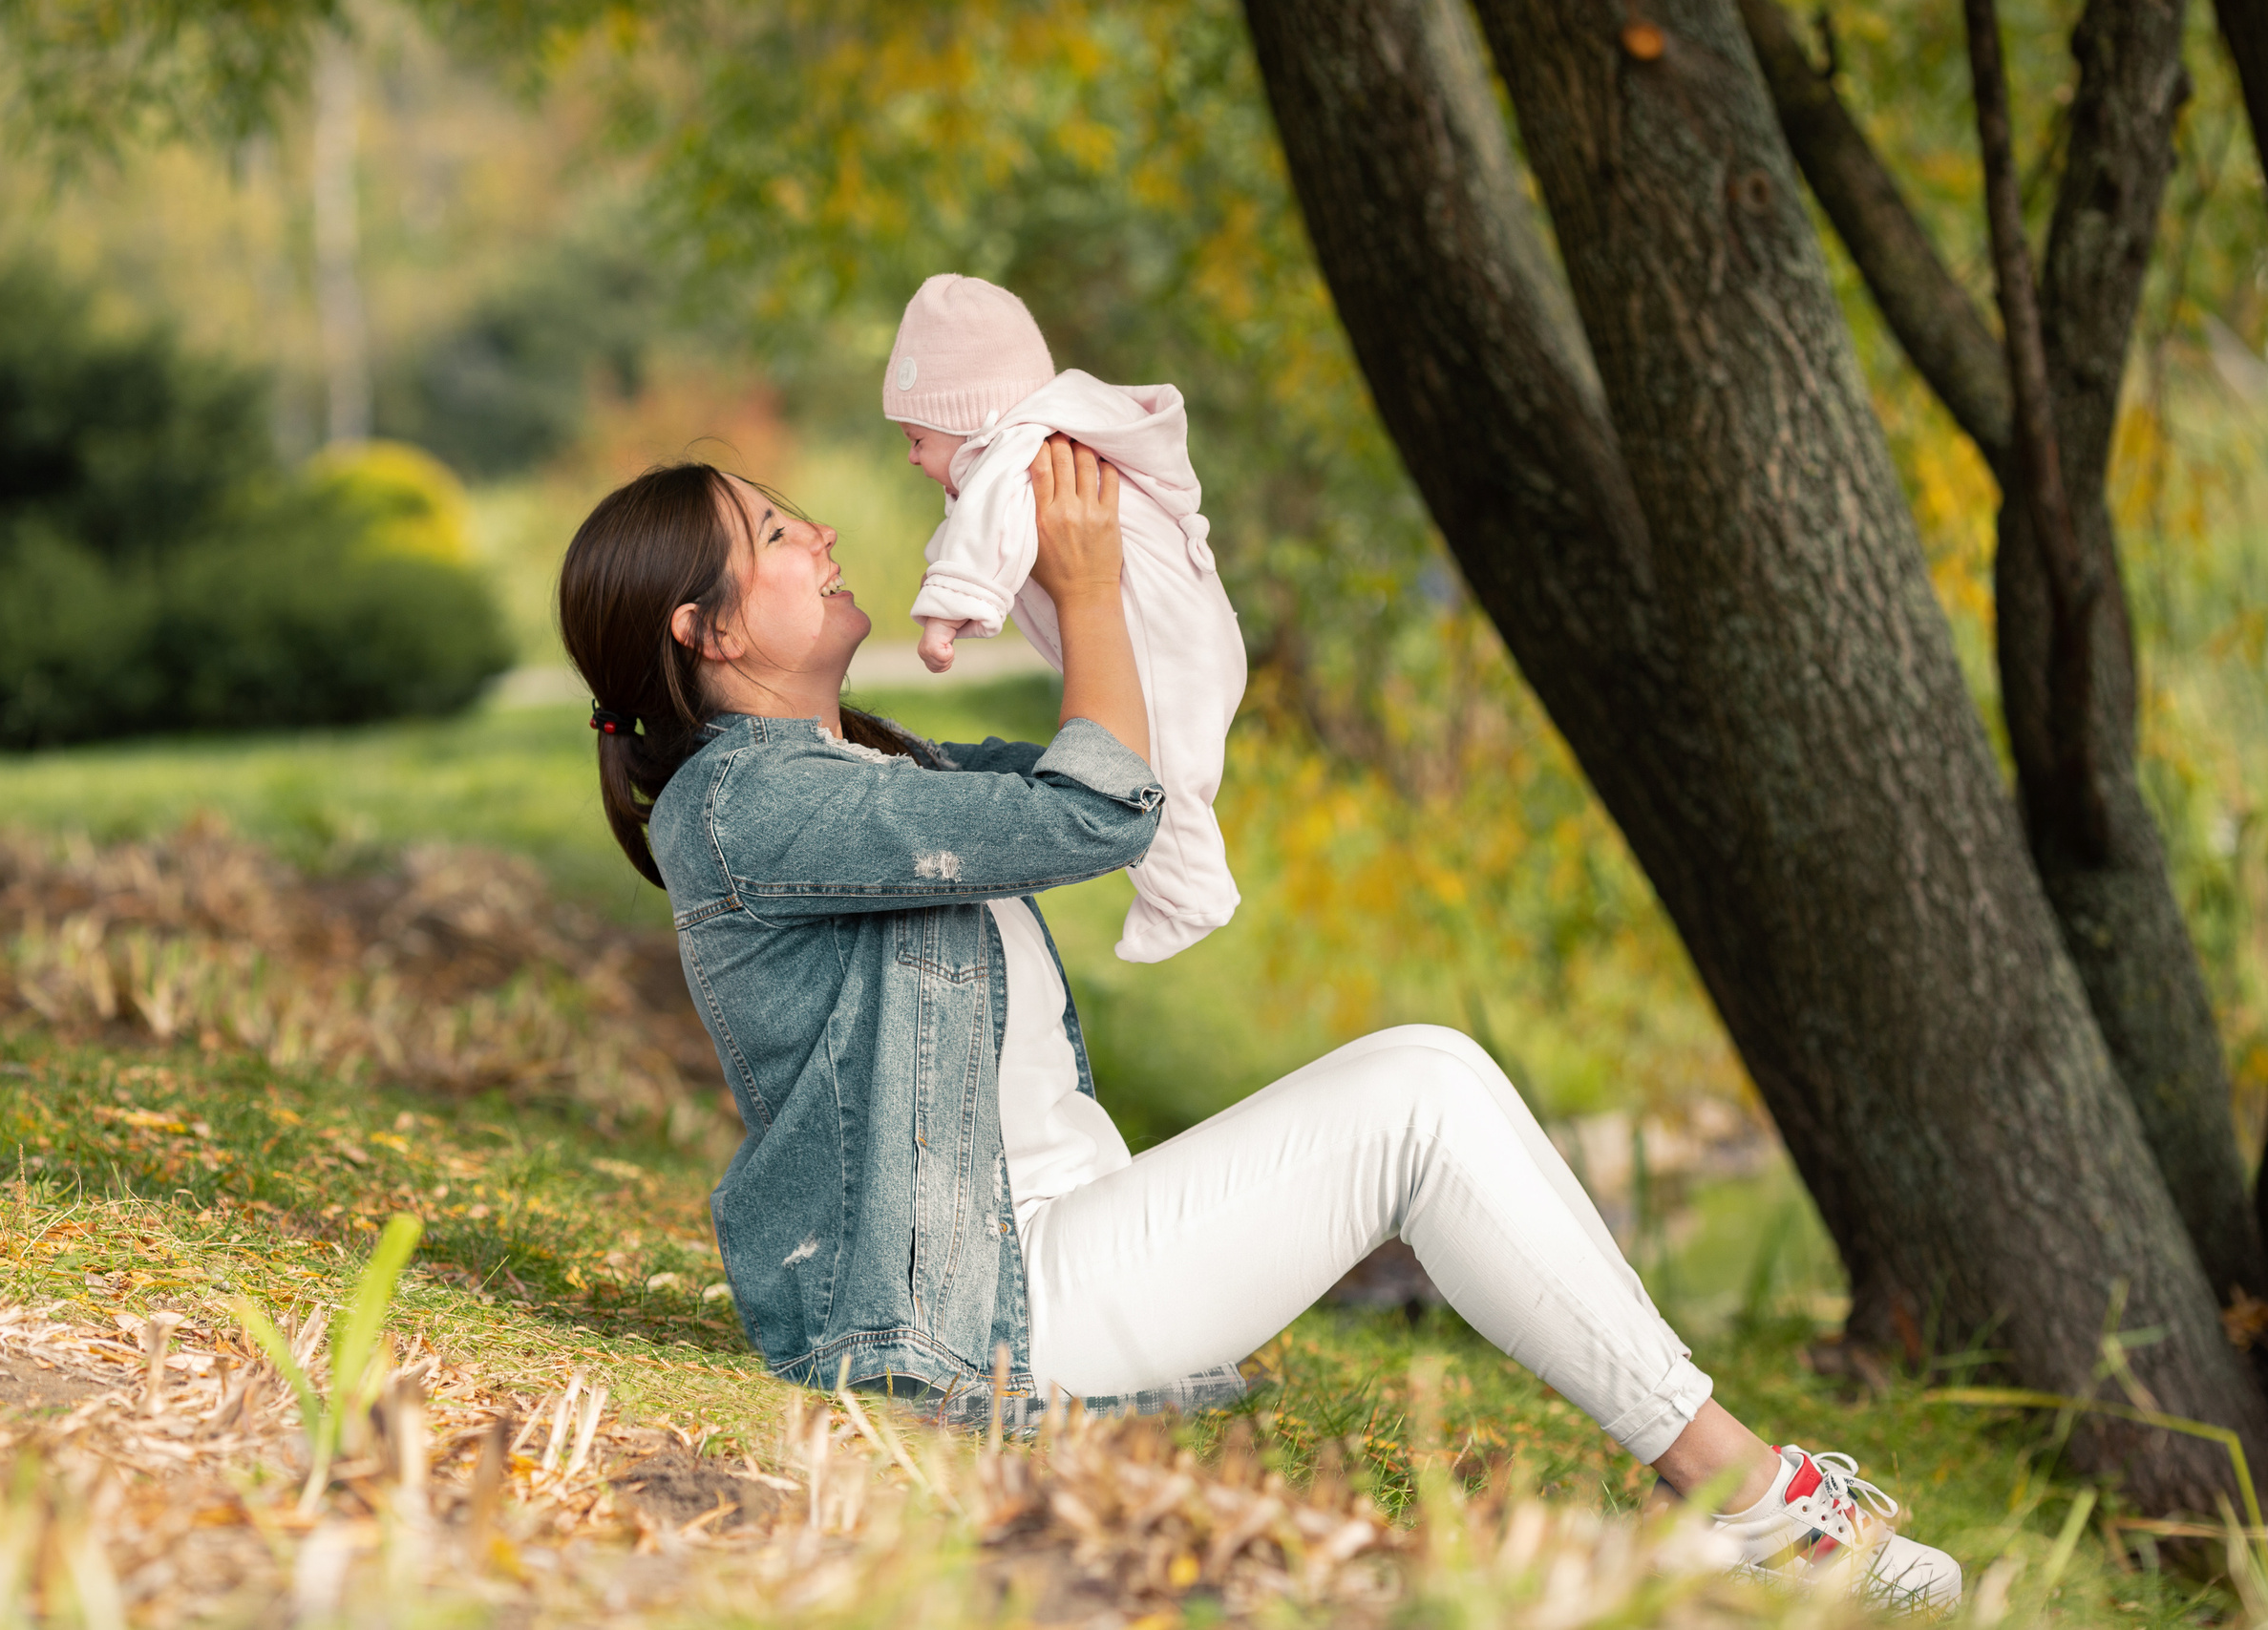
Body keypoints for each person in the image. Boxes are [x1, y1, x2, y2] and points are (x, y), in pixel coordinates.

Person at [555, 441, 1963, 1613]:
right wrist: (1087, 584)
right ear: (710, 627)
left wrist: (1091, 571)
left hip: (1045, 1248)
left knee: (1425, 1081)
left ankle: (1739, 1512)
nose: (821, 534)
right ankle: (1761, 1507)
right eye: (777, 532)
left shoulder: (863, 763)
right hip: (976, 1316)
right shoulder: (747, 804)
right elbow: (1087, 811)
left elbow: (1122, 773)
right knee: (1422, 1088)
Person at [887, 272, 1245, 964]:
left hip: (1169, 642)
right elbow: (983, 534)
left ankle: (1190, 894)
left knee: (1157, 767)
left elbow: (984, 539)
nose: (909, 456)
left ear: (971, 420)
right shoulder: (1033, 447)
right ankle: (1182, 883)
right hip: (1197, 632)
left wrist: (944, 616)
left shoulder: (1018, 455)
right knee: (1175, 763)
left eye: (914, 436)